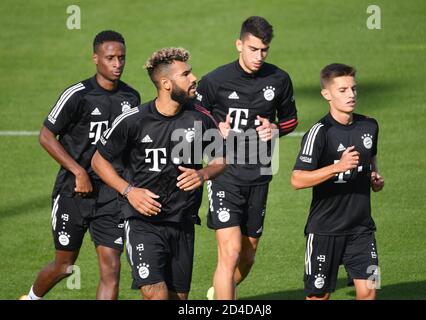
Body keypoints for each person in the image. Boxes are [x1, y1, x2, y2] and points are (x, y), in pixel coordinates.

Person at [91, 47, 226, 300]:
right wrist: (129, 191)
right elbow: (99, 161)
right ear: (166, 83)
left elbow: (222, 158)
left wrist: (203, 174)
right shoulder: (134, 120)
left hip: (183, 222)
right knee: (156, 294)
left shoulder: (200, 118)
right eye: (185, 74)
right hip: (143, 222)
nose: (194, 77)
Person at [19, 30, 140, 300]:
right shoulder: (78, 95)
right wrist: (78, 171)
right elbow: (46, 136)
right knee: (64, 266)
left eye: (122, 58)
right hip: (73, 192)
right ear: (95, 59)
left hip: (110, 194)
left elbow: (130, 146)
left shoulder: (131, 98)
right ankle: (30, 298)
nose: (117, 64)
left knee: (111, 268)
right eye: (110, 58)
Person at [195, 16, 298, 300]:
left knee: (248, 256)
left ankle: (220, 292)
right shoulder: (215, 81)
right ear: (239, 44)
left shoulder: (279, 80)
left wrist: (275, 128)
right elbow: (191, 120)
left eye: (264, 50)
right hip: (223, 173)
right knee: (230, 252)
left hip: (259, 175)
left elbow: (291, 121)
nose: (259, 56)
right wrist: (215, 129)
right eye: (253, 49)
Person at [291, 63, 384, 300]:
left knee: (370, 290)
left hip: (361, 228)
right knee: (318, 296)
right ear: (326, 94)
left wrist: (374, 176)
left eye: (353, 89)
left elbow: (370, 156)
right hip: (325, 231)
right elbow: (297, 179)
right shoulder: (319, 132)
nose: (351, 95)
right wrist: (337, 167)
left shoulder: (369, 125)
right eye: (342, 90)